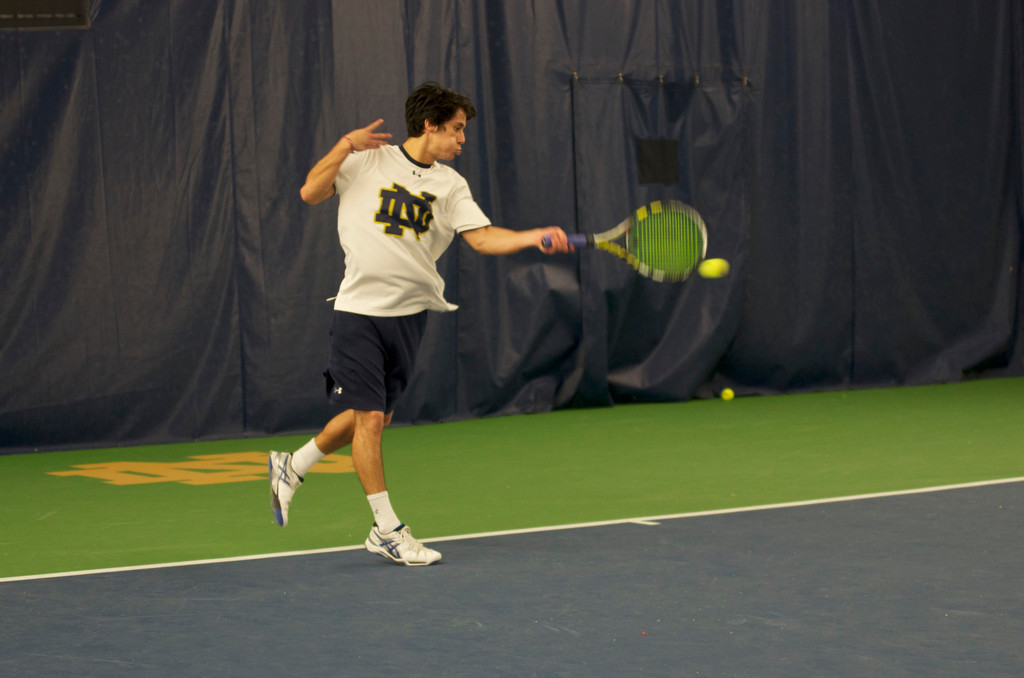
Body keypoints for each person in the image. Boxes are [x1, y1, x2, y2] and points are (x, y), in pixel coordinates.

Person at [268, 82, 570, 566]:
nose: (461, 140)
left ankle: (293, 464)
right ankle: (386, 529)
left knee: (376, 416)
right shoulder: (367, 160)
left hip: (409, 318)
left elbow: (484, 239)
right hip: (359, 311)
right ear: (430, 125)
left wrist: (534, 237)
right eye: (456, 129)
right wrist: (345, 145)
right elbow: (309, 191)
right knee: (369, 419)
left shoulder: (450, 185)